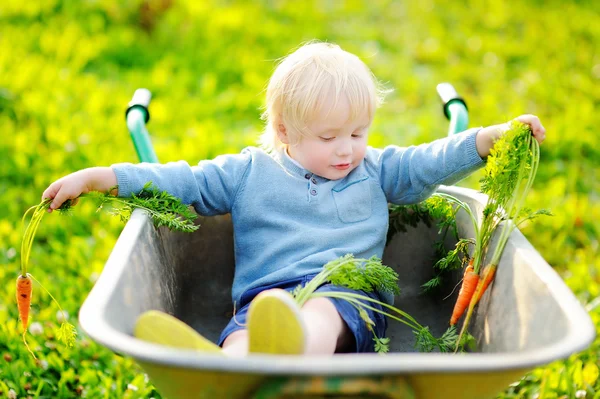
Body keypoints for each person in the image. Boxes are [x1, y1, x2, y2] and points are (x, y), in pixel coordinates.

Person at [42, 41, 546, 357]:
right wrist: (100, 176)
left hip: (348, 297)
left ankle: (290, 356)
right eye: (329, 138)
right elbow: (182, 183)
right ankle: (228, 369)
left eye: (358, 133)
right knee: (255, 324)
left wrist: (488, 139)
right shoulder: (248, 173)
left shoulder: (376, 170)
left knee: (321, 314)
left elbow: (427, 161)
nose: (347, 149)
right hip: (266, 301)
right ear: (284, 131)